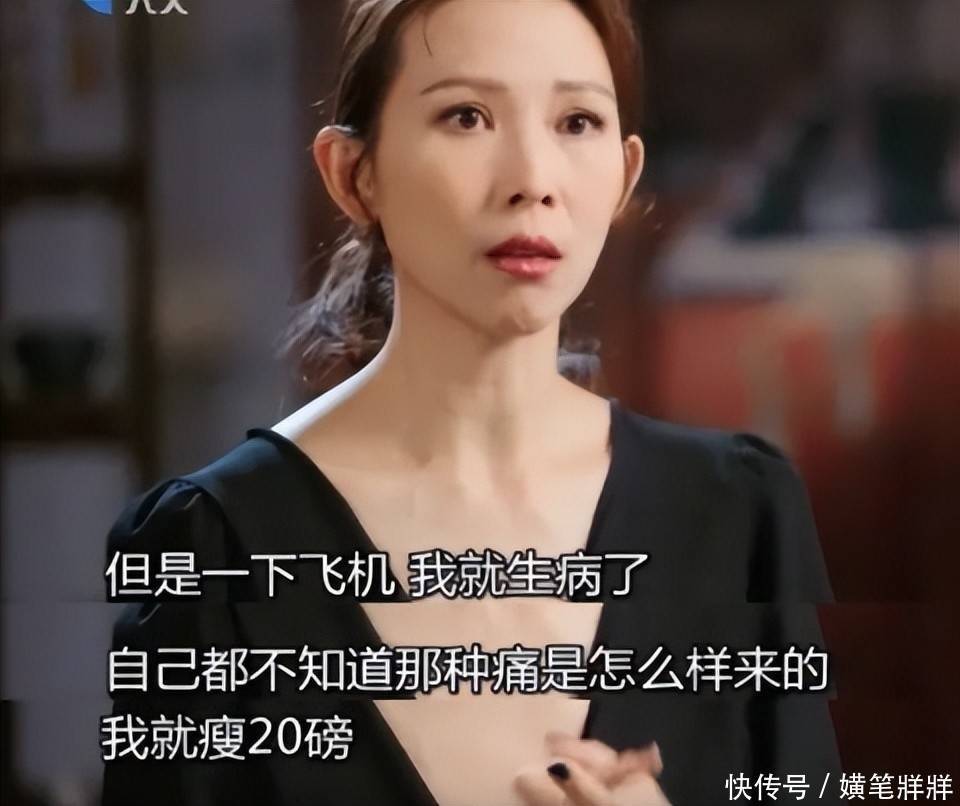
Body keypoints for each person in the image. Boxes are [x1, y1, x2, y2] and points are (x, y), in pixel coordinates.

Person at [101, 1, 841, 804]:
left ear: (625, 174)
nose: (532, 182)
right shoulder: (218, 545)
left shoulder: (735, 514)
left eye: (577, 122)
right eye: (466, 116)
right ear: (353, 174)